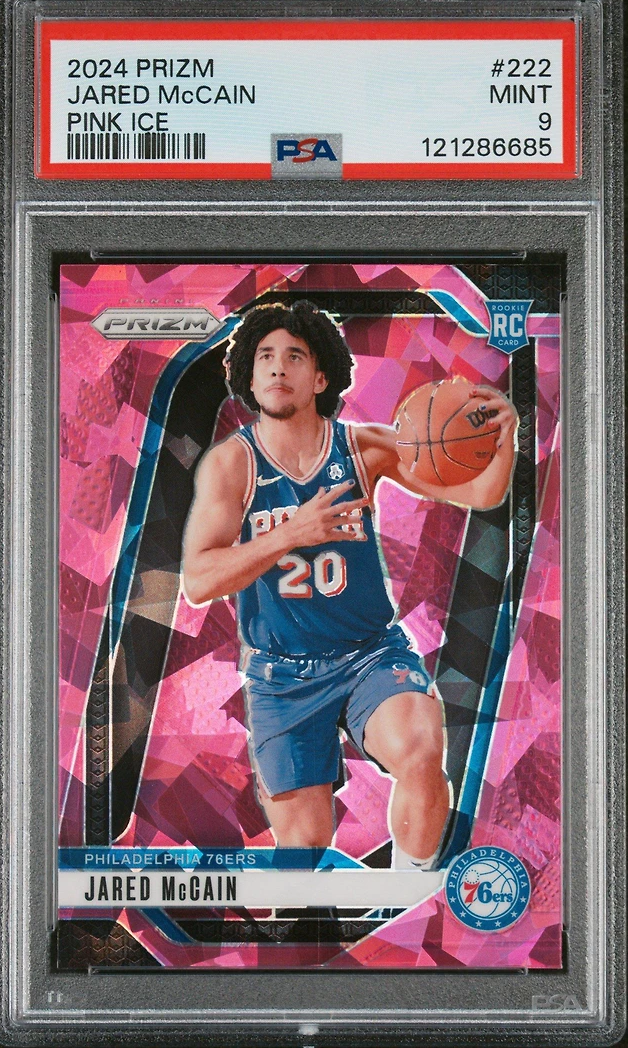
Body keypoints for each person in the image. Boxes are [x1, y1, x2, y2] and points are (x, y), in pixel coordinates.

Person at [182, 301, 517, 868]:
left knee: (420, 753)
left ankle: (411, 892)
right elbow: (197, 580)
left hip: (369, 653)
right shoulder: (231, 465)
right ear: (249, 377)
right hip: (281, 673)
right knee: (305, 853)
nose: (277, 366)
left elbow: (480, 493)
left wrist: (504, 437)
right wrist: (292, 533)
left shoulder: (362, 448)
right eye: (264, 356)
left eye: (294, 356)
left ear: (321, 377)